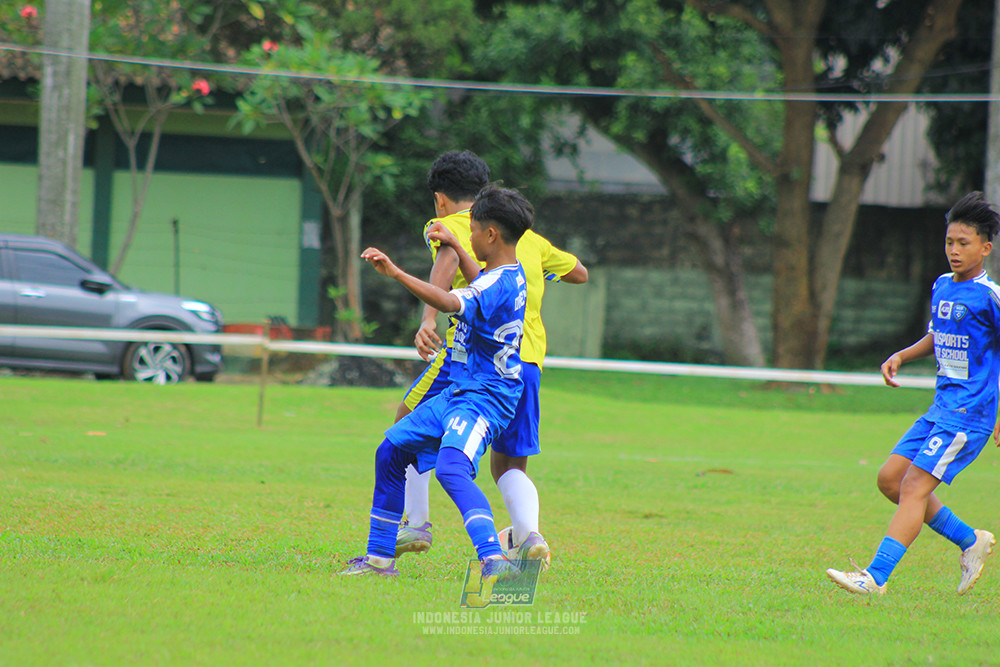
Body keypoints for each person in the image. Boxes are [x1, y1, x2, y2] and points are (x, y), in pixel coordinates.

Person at [395, 151, 588, 570]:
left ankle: (417, 523)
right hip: (528, 362)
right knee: (508, 462)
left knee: (405, 422)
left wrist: (428, 319)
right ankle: (528, 536)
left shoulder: (446, 227)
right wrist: (543, 273)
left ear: (440, 199)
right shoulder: (528, 240)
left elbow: (445, 267)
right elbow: (580, 273)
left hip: (473, 359)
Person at [341, 184, 532, 577]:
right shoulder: (506, 274)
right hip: (459, 391)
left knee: (450, 469)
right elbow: (479, 279)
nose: (470, 236)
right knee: (390, 451)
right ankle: (379, 559)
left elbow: (449, 301)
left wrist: (394, 272)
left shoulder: (496, 283)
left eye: (473, 231)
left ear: (491, 234)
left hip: (484, 397)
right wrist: (458, 247)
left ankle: (494, 560)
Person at [826, 191, 999, 596]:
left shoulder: (989, 297)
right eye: (949, 242)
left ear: (985, 248)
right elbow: (938, 337)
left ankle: (875, 577)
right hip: (941, 409)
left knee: (913, 488)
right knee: (890, 480)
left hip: (970, 414)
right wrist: (902, 356)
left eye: (964, 243)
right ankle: (970, 540)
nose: (954, 251)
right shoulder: (942, 285)